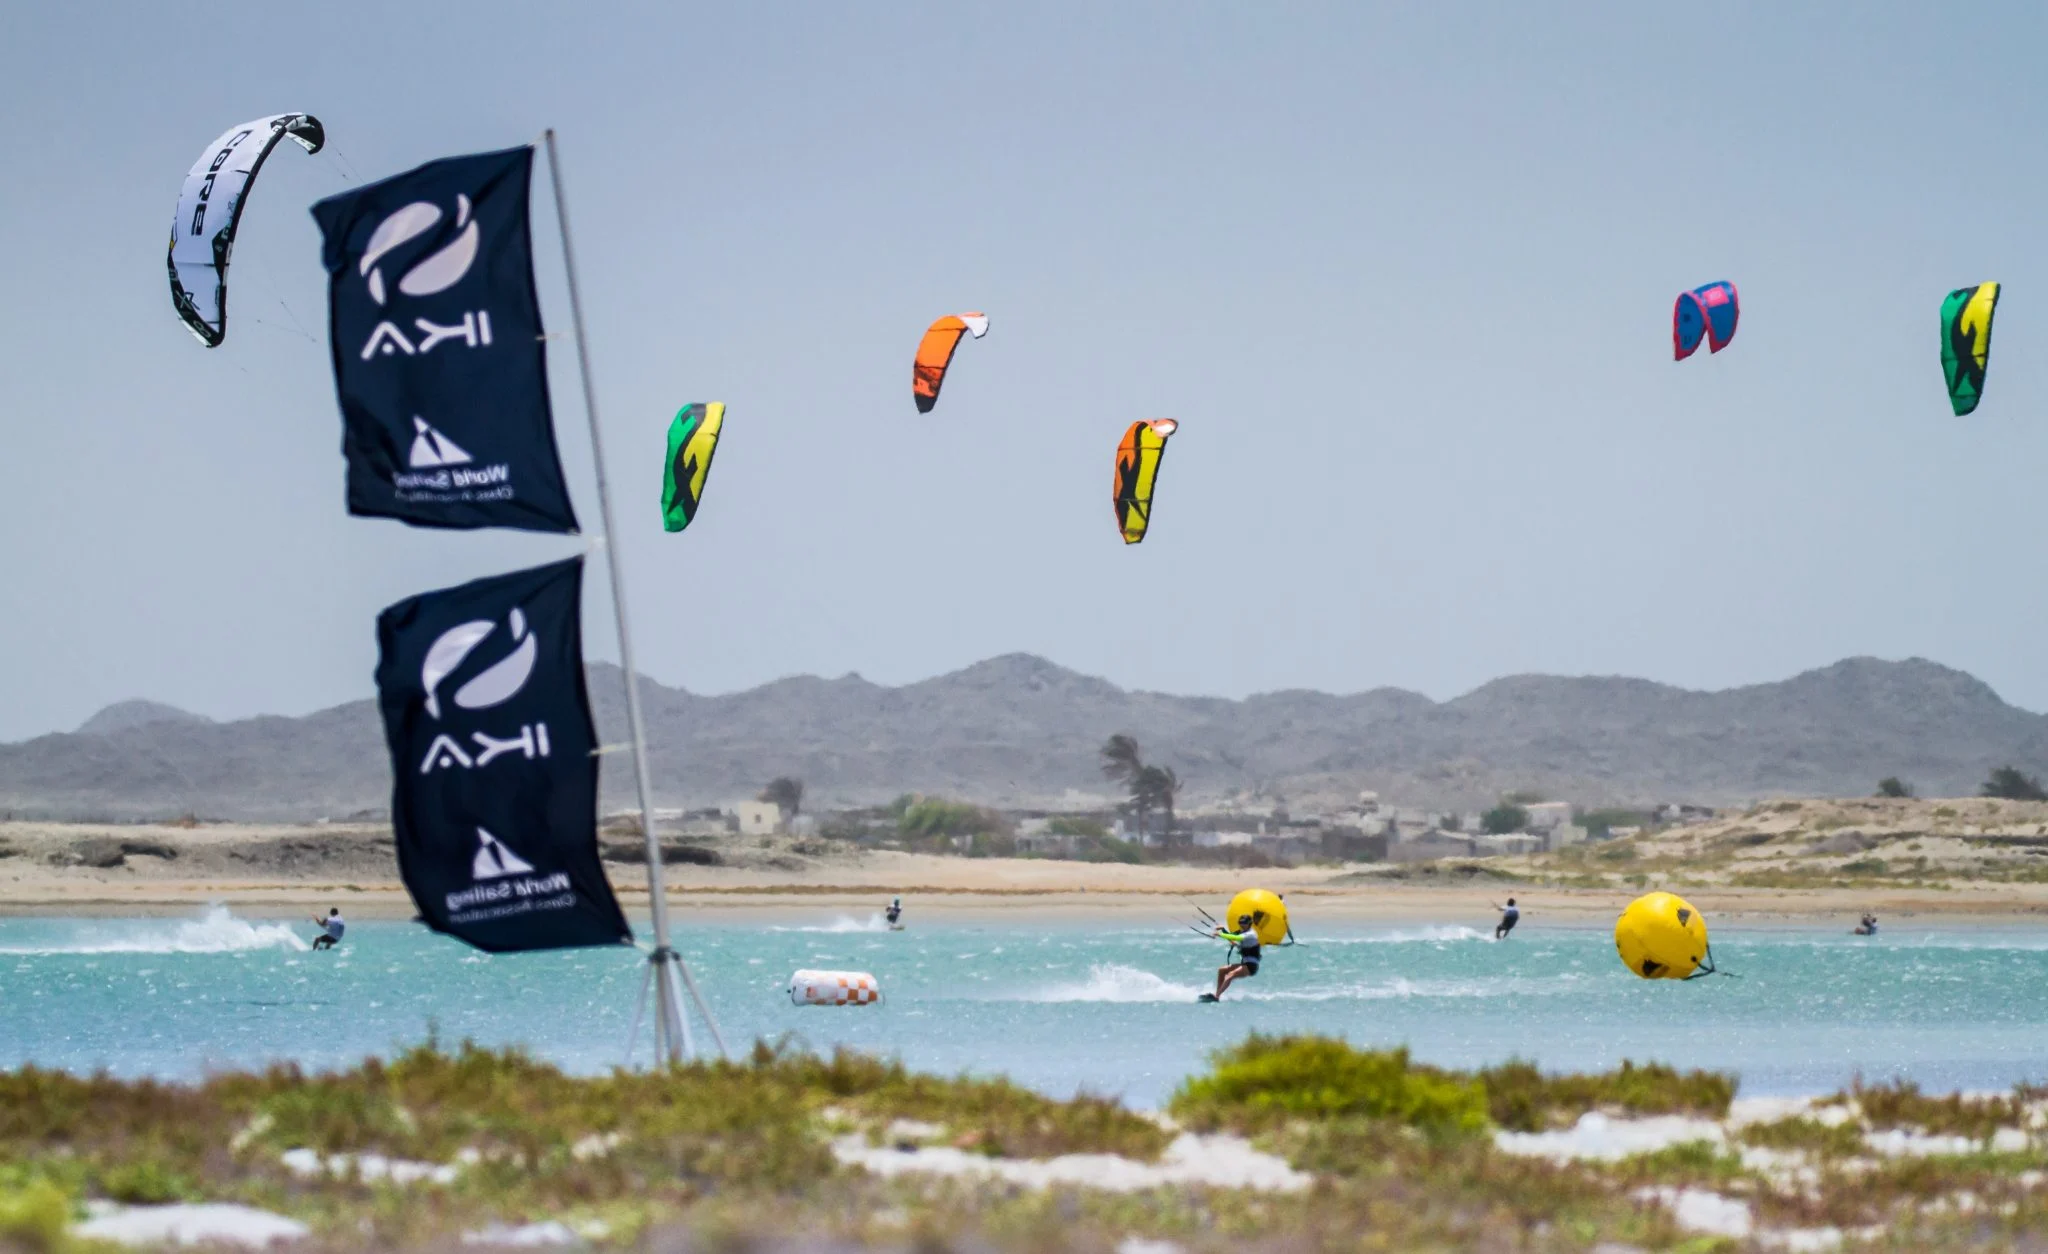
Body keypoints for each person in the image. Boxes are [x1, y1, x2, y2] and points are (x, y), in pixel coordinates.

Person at [1200, 914, 1262, 1002]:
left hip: (1251, 966)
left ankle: (1216, 996)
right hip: (1245, 964)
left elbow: (1236, 937)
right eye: (1240, 923)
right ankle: (1217, 994)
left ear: (1249, 924)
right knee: (1222, 970)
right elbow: (1231, 936)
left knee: (1230, 974)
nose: (1242, 925)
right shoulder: (1242, 932)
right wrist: (1223, 929)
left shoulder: (1251, 934)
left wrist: (1220, 934)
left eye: (1244, 923)